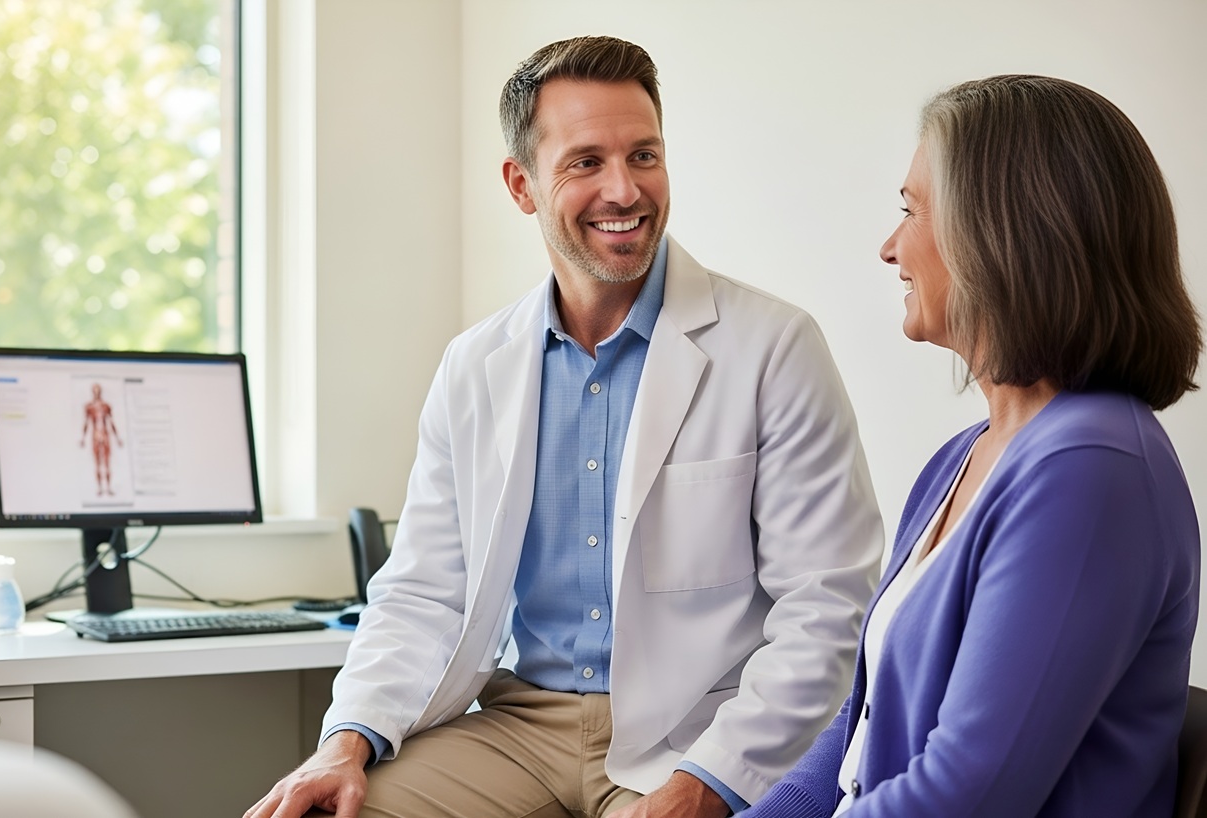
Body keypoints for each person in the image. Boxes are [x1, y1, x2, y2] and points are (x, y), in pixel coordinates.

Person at [249, 36, 883, 818]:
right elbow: (420, 593)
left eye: (644, 156)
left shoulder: (773, 347)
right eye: (586, 162)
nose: (625, 189)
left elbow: (825, 608)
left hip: (697, 729)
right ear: (522, 185)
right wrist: (344, 742)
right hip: (519, 727)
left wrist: (705, 785)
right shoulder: (474, 365)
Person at [743, 75, 1203, 817]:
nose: (889, 247)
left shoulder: (1092, 472)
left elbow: (968, 795)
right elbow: (861, 726)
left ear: (1004, 232)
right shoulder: (968, 454)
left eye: (911, 211)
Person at [80, 382, 123, 496]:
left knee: (107, 462)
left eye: (98, 390)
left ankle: (108, 488)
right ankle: (100, 488)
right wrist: (83, 438)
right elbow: (86, 423)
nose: (96, 393)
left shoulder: (106, 406)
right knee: (97, 463)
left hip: (105, 434)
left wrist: (117, 438)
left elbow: (111, 422)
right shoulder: (89, 407)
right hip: (95, 435)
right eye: (95, 391)